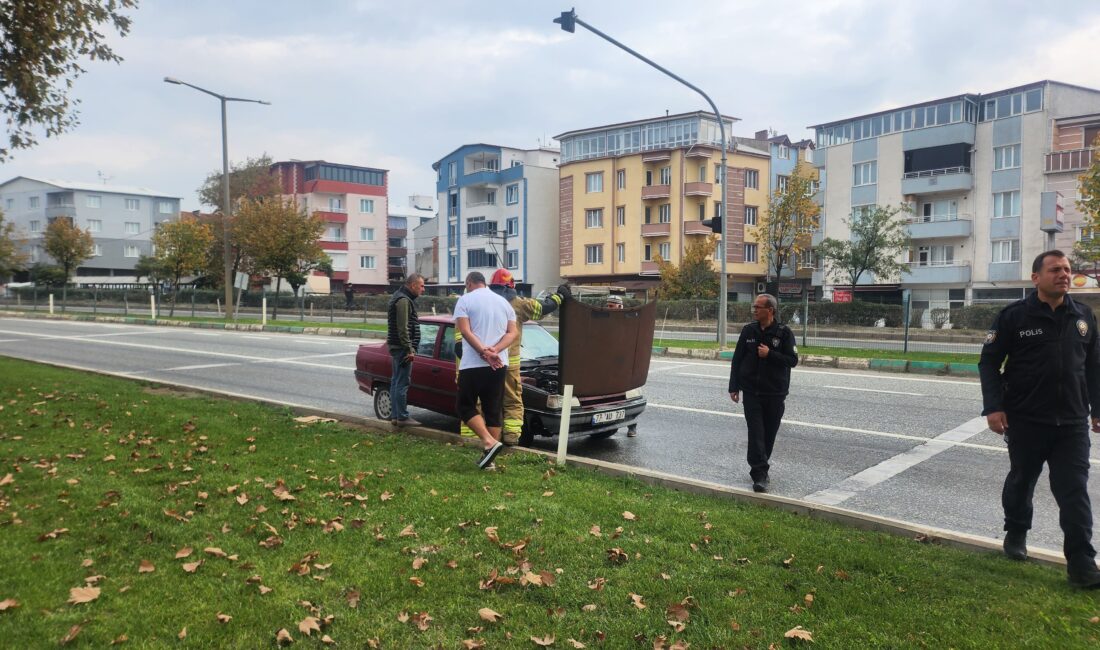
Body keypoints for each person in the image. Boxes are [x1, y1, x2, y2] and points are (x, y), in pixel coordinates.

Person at [979, 249, 1100, 589]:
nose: (1063, 274)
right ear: (1036, 278)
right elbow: (989, 362)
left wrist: (1098, 409)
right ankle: (1016, 530)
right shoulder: (1014, 316)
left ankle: (1081, 563)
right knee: (1022, 480)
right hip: (1027, 419)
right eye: (1055, 269)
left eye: (1067, 269)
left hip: (1072, 423)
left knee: (1074, 490)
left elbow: (1093, 367)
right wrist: (993, 407)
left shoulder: (1084, 317)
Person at [728, 293, 798, 493]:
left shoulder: (784, 333)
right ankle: (759, 474)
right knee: (756, 432)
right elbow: (737, 359)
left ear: (770, 310)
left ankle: (761, 466)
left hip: (775, 393)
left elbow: (792, 360)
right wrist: (734, 386)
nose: (754, 310)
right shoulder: (748, 331)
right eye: (754, 307)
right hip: (752, 393)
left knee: (768, 434)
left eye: (758, 307)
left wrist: (771, 354)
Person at [454, 271, 518, 469]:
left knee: (465, 406)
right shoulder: (504, 303)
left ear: (470, 283)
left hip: (473, 363)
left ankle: (489, 442)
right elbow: (512, 333)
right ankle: (490, 460)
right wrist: (496, 350)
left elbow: (465, 330)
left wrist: (483, 351)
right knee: (492, 409)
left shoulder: (465, 300)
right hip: (499, 364)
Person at [385, 274, 425, 427]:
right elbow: (403, 328)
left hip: (398, 347)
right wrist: (409, 349)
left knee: (396, 381)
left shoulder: (400, 297)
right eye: (421, 286)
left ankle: (396, 417)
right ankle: (402, 416)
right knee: (402, 382)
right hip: (402, 349)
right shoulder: (403, 300)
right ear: (413, 285)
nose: (423, 289)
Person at [604, 292, 637, 437]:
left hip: (623, 364)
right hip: (609, 363)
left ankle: (632, 425)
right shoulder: (604, 320)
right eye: (608, 306)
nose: (609, 308)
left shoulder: (627, 321)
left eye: (612, 306)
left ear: (620, 306)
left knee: (627, 396)